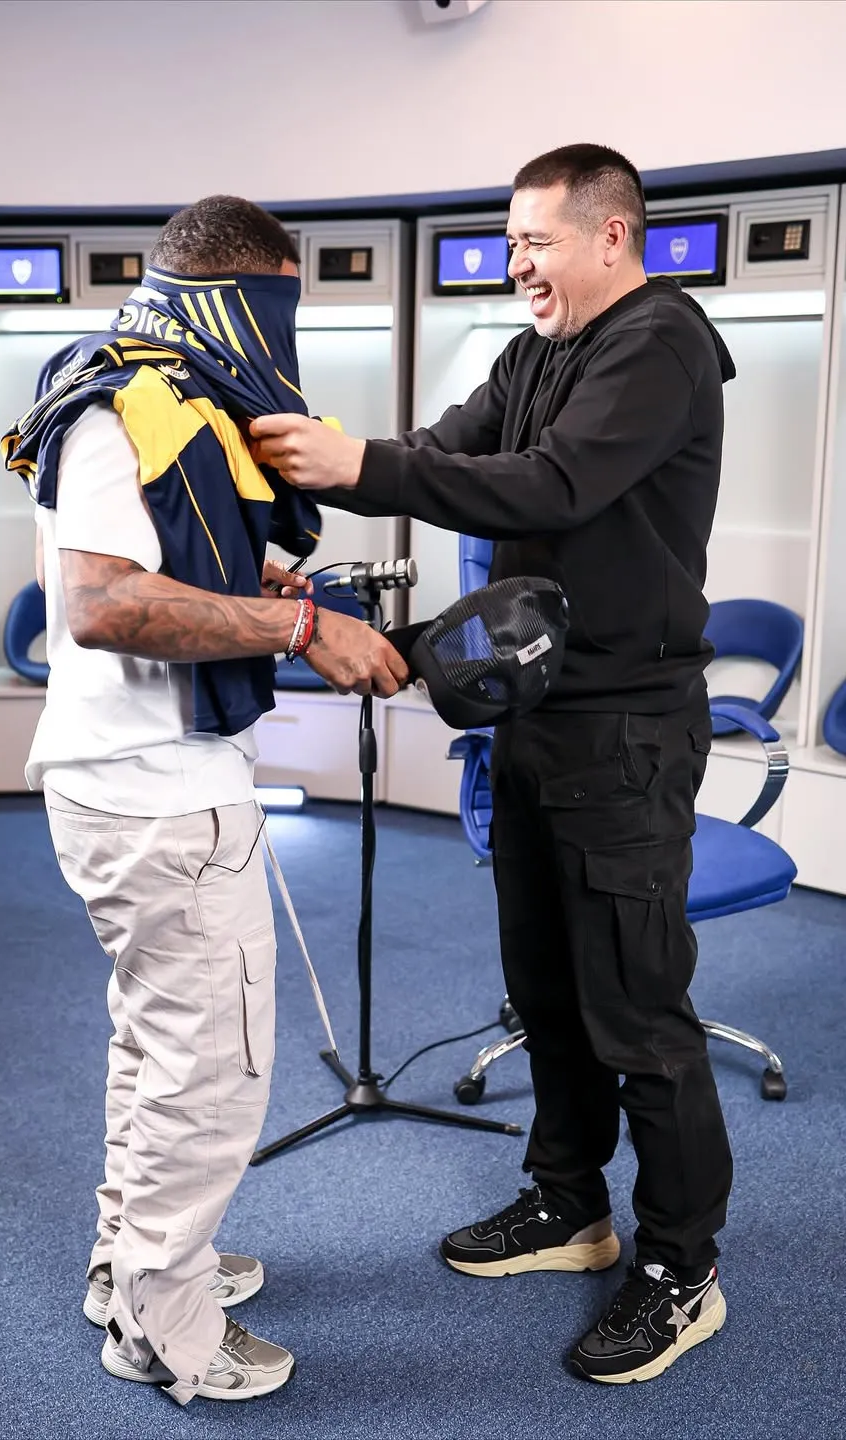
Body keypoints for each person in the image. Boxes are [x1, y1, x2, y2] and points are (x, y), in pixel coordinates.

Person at [250, 144, 737, 1385]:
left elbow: (553, 484)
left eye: (537, 240)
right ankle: (568, 1208)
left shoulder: (661, 343)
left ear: (612, 237)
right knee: (550, 995)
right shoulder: (531, 356)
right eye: (509, 241)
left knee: (640, 1016)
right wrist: (300, 501)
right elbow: (446, 455)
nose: (515, 261)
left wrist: (355, 462)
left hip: (625, 732)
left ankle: (684, 1269)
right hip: (535, 717)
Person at [3, 195, 408, 1406]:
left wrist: (266, 577)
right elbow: (106, 605)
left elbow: (155, 568)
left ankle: (131, 1267)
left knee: (155, 1047)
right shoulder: (129, 402)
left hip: (133, 783)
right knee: (210, 1069)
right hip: (155, 795)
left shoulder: (133, 382)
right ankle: (162, 1328)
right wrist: (298, 622)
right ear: (253, 287)